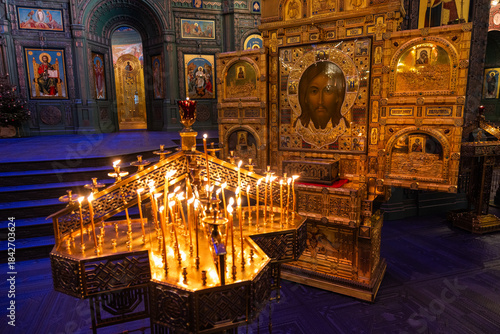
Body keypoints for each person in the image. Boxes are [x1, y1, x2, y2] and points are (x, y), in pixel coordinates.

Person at [294, 61, 346, 130]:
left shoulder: (343, 127)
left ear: (337, 96)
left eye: (328, 91)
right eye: (314, 91)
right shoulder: (298, 128)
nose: (320, 101)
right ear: (305, 97)